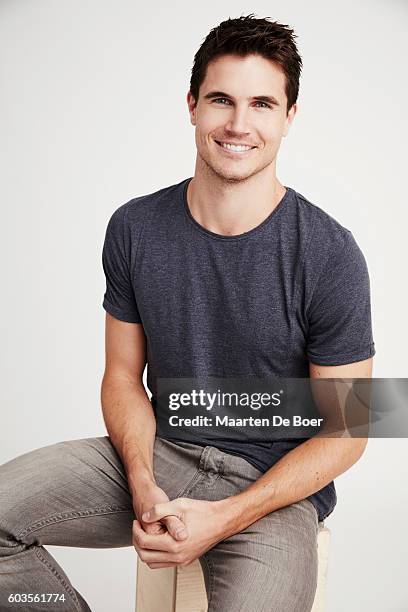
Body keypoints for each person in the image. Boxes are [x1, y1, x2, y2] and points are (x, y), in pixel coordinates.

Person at [0, 14, 375, 612]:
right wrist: (144, 483)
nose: (238, 124)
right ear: (193, 105)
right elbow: (122, 376)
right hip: (159, 455)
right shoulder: (134, 228)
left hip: (270, 493)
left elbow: (351, 429)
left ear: (289, 118)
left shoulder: (331, 252)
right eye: (222, 100)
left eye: (262, 104)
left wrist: (227, 516)